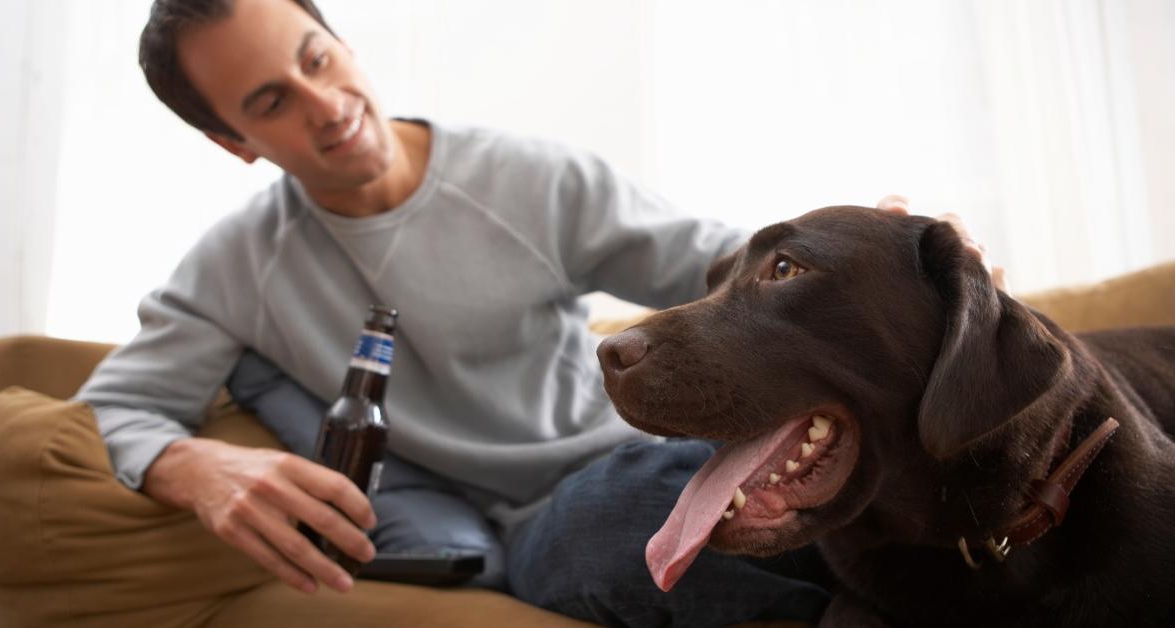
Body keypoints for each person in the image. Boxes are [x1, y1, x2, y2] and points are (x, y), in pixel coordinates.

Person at [79, 0, 997, 625]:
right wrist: (191, 465)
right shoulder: (238, 266)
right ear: (232, 142)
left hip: (668, 450)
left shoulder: (528, 177)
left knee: (827, 448)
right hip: (550, 522)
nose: (328, 106)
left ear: (344, 43)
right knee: (621, 519)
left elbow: (722, 263)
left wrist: (882, 254)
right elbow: (116, 405)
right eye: (272, 100)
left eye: (317, 58)